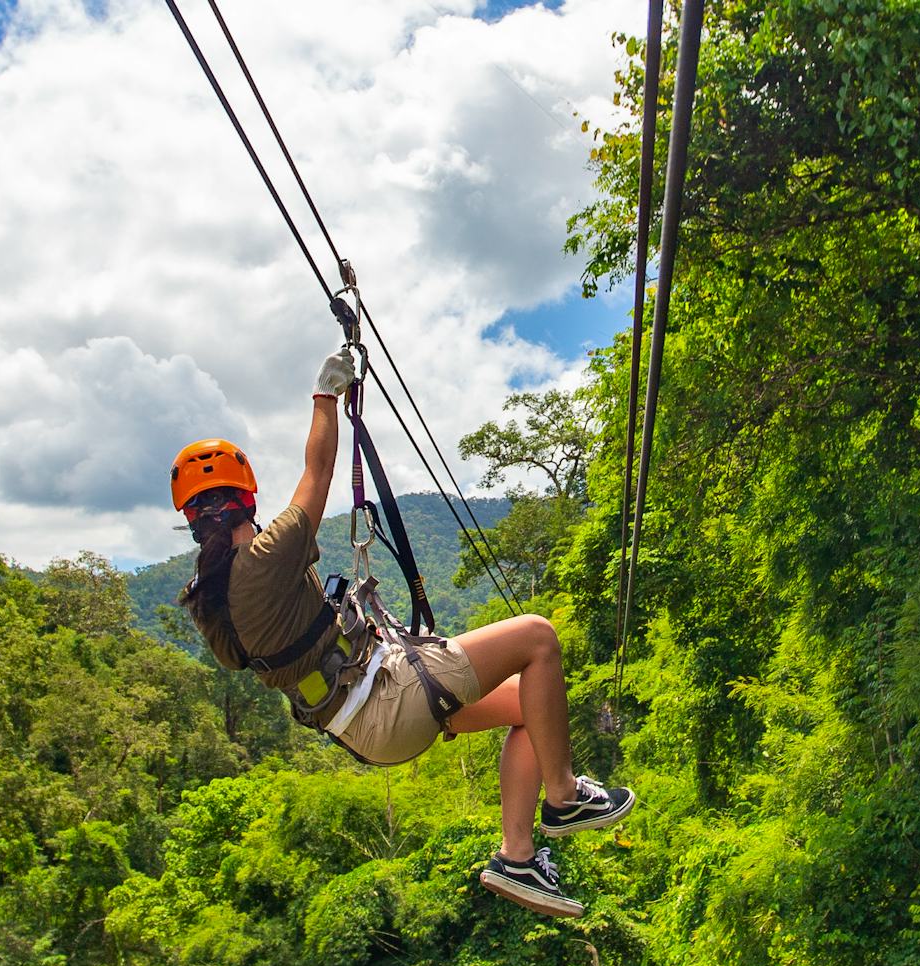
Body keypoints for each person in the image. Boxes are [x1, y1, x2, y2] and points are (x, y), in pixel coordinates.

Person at [171, 348, 634, 918]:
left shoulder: (209, 599)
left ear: (190, 518)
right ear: (247, 496)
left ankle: (518, 857)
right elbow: (317, 474)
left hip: (358, 722)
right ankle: (564, 798)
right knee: (538, 638)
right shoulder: (265, 558)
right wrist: (325, 395)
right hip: (386, 698)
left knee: (528, 712)